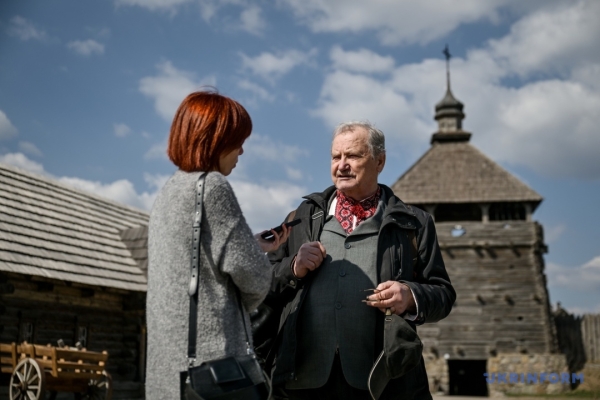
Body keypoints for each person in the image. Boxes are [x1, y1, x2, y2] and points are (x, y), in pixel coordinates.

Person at [267, 121, 456, 400]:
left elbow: (443, 293)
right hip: (300, 382)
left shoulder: (414, 223)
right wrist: (293, 268)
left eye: (353, 156)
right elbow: (261, 281)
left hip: (381, 383)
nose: (341, 165)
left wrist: (410, 295)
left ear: (380, 161)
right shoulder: (302, 217)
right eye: (336, 157)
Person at [145, 90, 290, 399]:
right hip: (213, 370)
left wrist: (250, 246)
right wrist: (257, 257)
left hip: (168, 374)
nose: (241, 151)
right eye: (237, 140)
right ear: (214, 139)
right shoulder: (212, 188)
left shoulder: (168, 193)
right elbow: (255, 279)